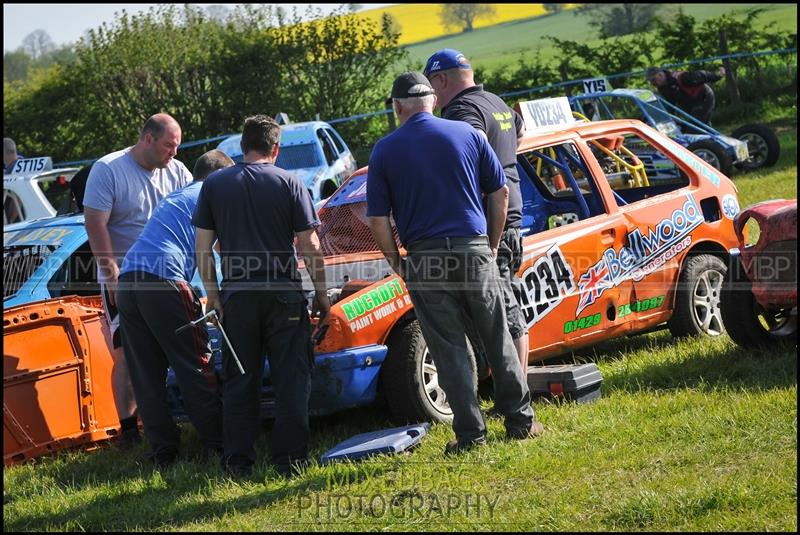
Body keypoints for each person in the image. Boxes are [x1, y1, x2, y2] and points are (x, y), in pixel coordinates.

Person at [367, 72, 542, 455]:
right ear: (432, 100)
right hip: (474, 248)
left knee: (448, 347)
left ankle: (470, 434)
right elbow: (500, 192)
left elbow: (378, 219)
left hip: (424, 257)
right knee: (497, 335)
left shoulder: (384, 150)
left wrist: (397, 261)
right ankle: (520, 422)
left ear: (397, 107)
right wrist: (492, 245)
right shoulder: (470, 136)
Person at [193, 115, 330, 478]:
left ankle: (237, 463)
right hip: (283, 294)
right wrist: (322, 295)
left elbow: (203, 249)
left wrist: (213, 297)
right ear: (276, 148)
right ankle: (291, 461)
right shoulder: (291, 182)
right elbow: (310, 246)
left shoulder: (215, 185)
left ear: (242, 146)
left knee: (240, 381)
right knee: (291, 379)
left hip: (237, 296)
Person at [115, 150, 233, 468]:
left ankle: (163, 451)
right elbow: (217, 250)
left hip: (128, 280)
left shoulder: (177, 196)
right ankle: (217, 444)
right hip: (163, 279)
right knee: (194, 362)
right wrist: (218, 296)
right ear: (220, 175)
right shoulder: (213, 193)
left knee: (146, 372)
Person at [83, 113, 193, 447]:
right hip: (125, 277)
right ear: (147, 138)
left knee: (185, 346)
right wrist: (111, 275)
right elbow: (95, 224)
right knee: (127, 355)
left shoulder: (177, 171)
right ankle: (129, 429)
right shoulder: (109, 169)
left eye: (177, 146)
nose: (173, 153)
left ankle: (181, 417)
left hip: (172, 277)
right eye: (168, 146)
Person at [423, 48, 531, 383]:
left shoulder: (461, 110)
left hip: (488, 223)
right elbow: (520, 132)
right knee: (503, 304)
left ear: (441, 79)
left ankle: (517, 393)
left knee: (504, 311)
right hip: (509, 215)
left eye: (431, 86)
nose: (431, 96)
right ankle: (511, 388)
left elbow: (473, 141)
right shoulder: (495, 102)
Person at [646, 66, 726, 125]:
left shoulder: (680, 77)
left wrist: (718, 75)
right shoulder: (663, 88)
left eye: (653, 80)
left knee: (698, 126)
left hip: (704, 97)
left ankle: (710, 144)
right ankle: (713, 143)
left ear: (660, 75)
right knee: (695, 125)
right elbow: (671, 105)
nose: (653, 84)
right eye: (651, 81)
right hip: (691, 103)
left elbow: (701, 75)